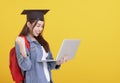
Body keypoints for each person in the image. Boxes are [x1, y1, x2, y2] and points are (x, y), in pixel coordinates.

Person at [15, 9, 68, 83]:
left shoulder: (42, 42)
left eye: (42, 26)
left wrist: (59, 62)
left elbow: (49, 65)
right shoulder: (22, 41)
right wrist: (22, 47)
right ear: (28, 24)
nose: (40, 29)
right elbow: (26, 66)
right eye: (38, 26)